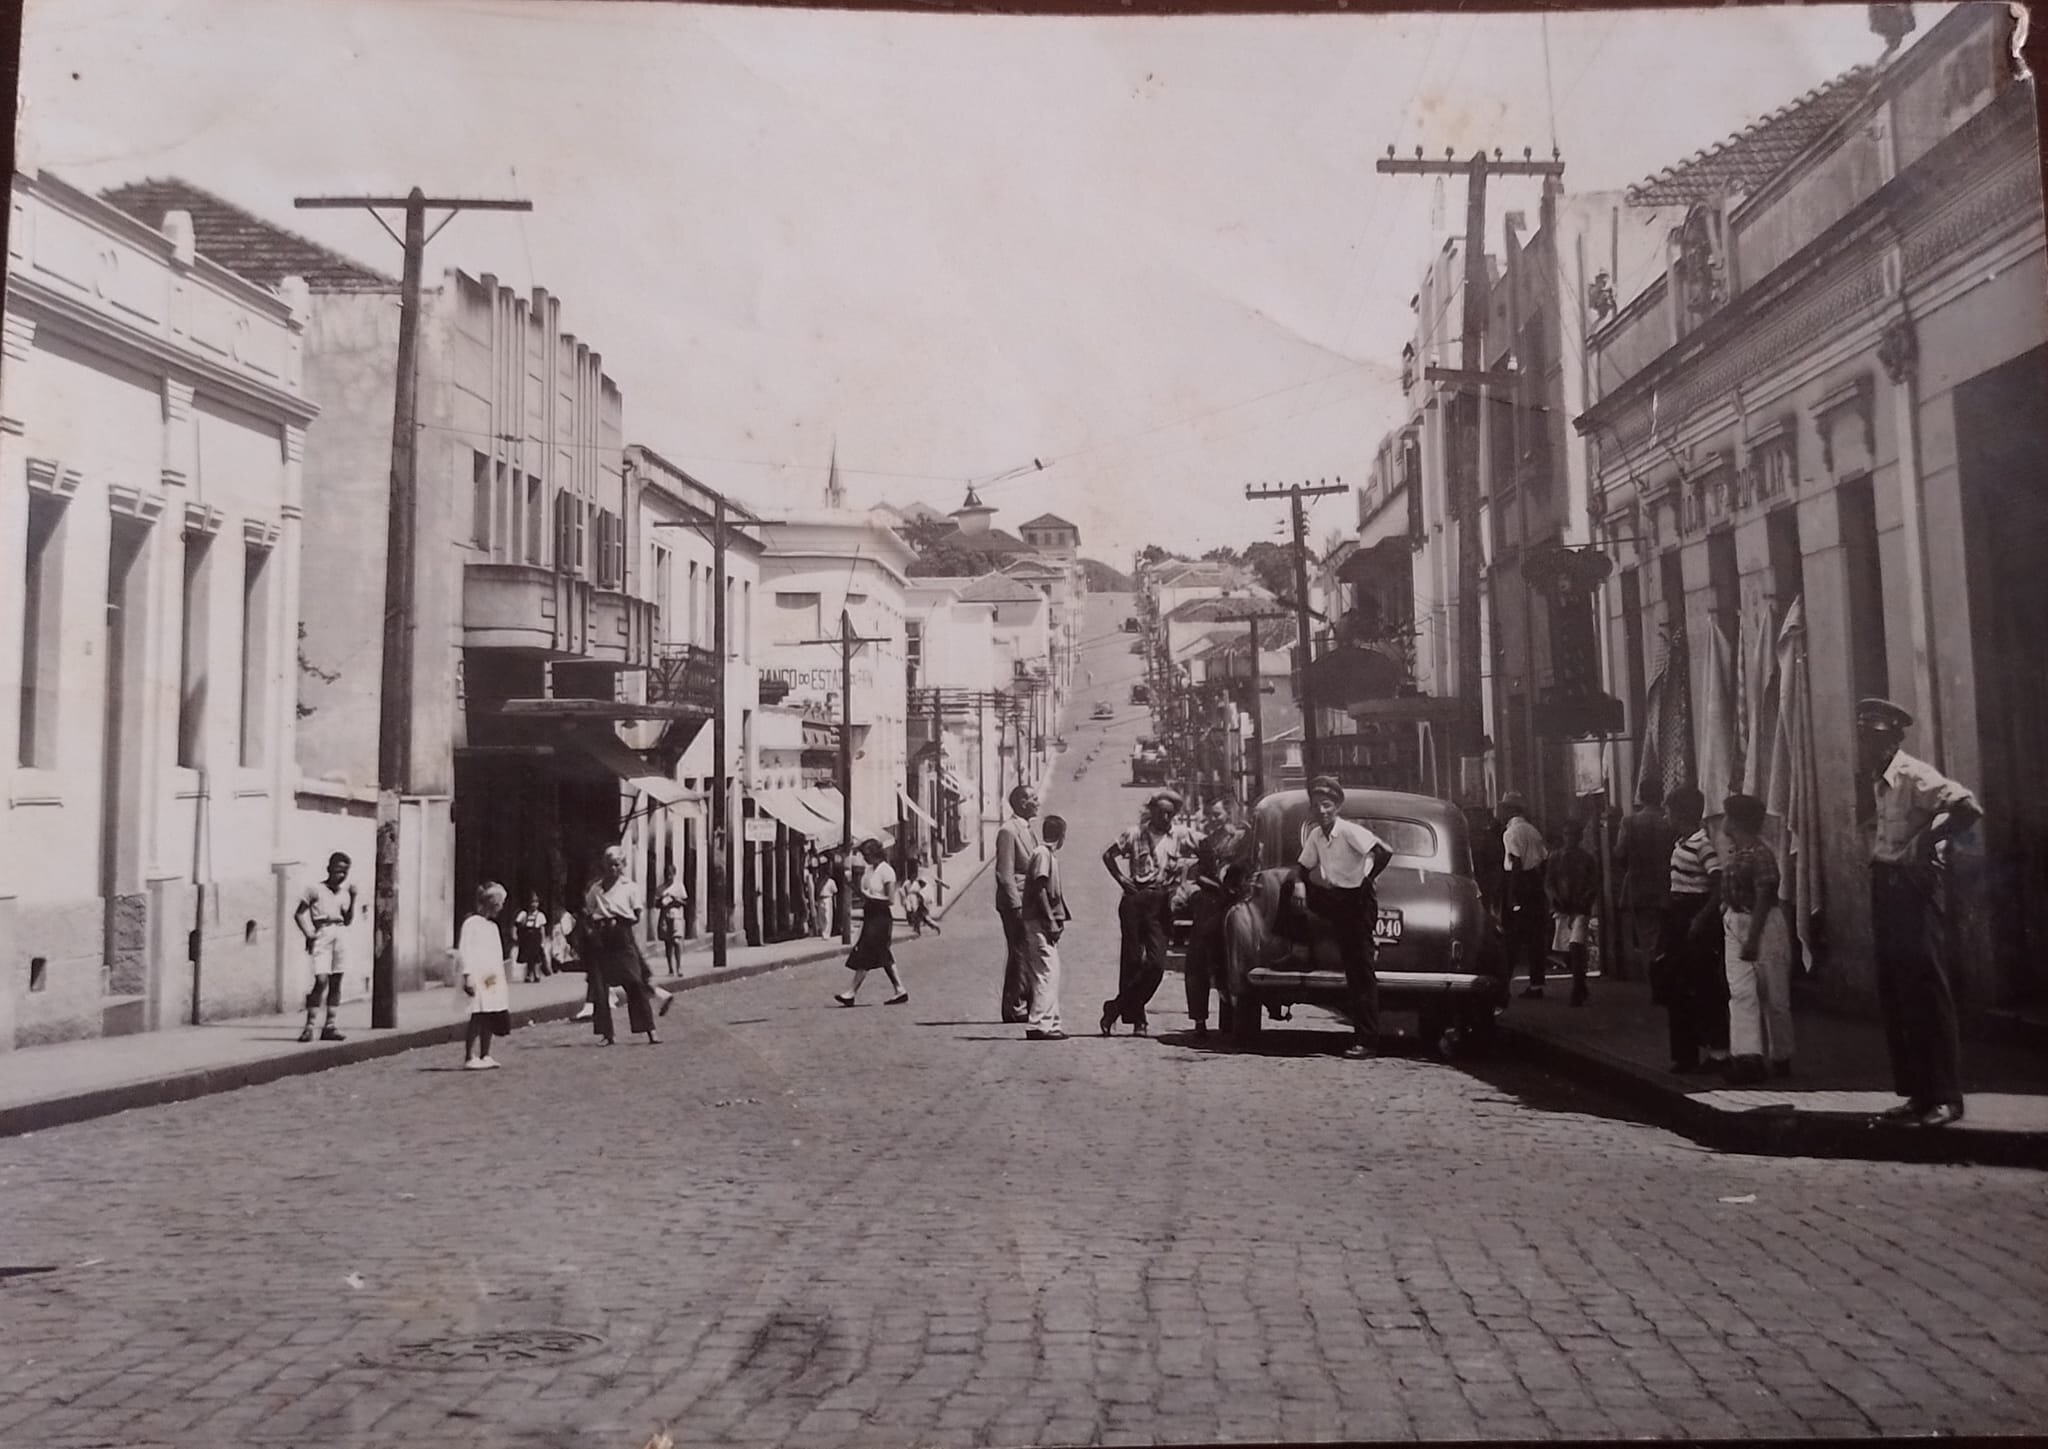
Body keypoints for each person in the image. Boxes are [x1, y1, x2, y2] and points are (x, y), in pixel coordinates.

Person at [1858, 697, 1982, 1129]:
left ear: (1894, 736)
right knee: (1896, 992)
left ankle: (1946, 1096)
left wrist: (1928, 841)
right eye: (1862, 736)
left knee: (1927, 990)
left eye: (1874, 736)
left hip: (1913, 889)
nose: (1866, 745)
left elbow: (1966, 806)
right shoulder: (1878, 779)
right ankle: (1917, 1093)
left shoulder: (1914, 774)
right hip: (1886, 887)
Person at [1290, 776, 1393, 1059]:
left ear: (1336, 807)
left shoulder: (1348, 831)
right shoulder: (1316, 834)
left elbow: (1384, 852)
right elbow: (1301, 867)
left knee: (1360, 973)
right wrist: (1299, 885)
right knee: (1288, 883)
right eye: (1316, 806)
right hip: (1337, 899)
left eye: (1327, 805)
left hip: (1358, 902)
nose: (1322, 811)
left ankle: (1368, 1039)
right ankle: (1298, 950)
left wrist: (1367, 879)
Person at [1099, 791, 1189, 1036]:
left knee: (1157, 964)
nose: (1166, 816)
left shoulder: (1178, 836)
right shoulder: (1134, 833)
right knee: (1132, 962)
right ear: (1152, 811)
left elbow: (1204, 848)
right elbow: (1109, 855)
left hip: (1161, 904)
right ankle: (1138, 1020)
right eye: (1161, 811)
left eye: (1170, 812)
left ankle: (1115, 1007)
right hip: (1135, 900)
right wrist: (1121, 879)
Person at [1719, 793, 1793, 1084]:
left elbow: (1764, 895)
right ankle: (1747, 1058)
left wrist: (1752, 938)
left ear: (1735, 821)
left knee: (1774, 994)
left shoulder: (1761, 854)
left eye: (1726, 816)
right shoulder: (1737, 853)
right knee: (1741, 992)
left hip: (1763, 924)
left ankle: (1780, 1054)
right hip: (1736, 922)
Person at [1661, 786, 1729, 1075]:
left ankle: (1718, 1052)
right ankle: (1685, 1054)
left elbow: (1719, 882)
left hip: (1695, 915)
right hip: (1679, 915)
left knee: (1703, 985)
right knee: (1678, 985)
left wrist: (1701, 917)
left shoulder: (1702, 844)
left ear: (1680, 814)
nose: (1666, 817)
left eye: (1668, 812)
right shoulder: (1681, 842)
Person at [1185, 796, 1252, 1039]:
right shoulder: (1206, 841)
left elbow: (1246, 868)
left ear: (1229, 814)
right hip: (1209, 904)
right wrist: (1210, 883)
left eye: (1218, 815)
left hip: (1234, 904)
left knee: (1229, 961)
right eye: (1211, 815)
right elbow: (1200, 874)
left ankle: (1230, 1017)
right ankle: (1199, 1020)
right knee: (1197, 961)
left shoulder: (1244, 839)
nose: (1214, 820)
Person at [582, 845, 663, 1046]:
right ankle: (606, 1034)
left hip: (621, 935)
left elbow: (636, 915)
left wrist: (618, 921)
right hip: (600, 938)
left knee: (635, 981)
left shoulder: (630, 887)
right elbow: (588, 912)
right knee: (600, 987)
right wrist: (592, 929)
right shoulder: (596, 889)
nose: (612, 869)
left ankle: (649, 1029)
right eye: (609, 865)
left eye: (616, 864)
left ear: (623, 865)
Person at [293, 852, 358, 1043]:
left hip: (340, 933)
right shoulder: (315, 890)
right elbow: (299, 914)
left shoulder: (345, 893)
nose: (342, 875)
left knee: (337, 980)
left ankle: (330, 1025)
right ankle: (309, 1026)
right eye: (338, 870)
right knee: (321, 980)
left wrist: (354, 898)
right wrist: (309, 934)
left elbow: (347, 920)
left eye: (345, 871)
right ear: (329, 869)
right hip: (323, 932)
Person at [1615, 783, 1676, 987]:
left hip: (1638, 886)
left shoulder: (1630, 822)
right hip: (1667, 885)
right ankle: (1665, 980)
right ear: (1661, 797)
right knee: (1665, 935)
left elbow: (1620, 854)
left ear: (1640, 797)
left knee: (1647, 937)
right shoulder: (1668, 823)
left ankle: (1655, 983)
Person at [835, 839, 908, 1006]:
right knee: (881, 953)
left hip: (881, 917)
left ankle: (851, 992)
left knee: (867, 952)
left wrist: (869, 897)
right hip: (870, 915)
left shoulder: (887, 871)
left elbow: (889, 900)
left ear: (875, 854)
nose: (865, 859)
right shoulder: (869, 870)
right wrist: (853, 887)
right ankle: (899, 989)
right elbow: (864, 894)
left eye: (867, 855)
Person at [994, 786, 1042, 1023]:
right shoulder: (1008, 831)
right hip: (1017, 903)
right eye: (1033, 798)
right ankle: (1012, 1006)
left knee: (1027, 953)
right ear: (1022, 802)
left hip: (1029, 901)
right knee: (1019, 953)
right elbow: (1005, 873)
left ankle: (1025, 1002)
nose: (1037, 801)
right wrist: (1016, 907)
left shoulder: (1026, 829)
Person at [1022, 815, 1071, 1040]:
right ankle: (1039, 1024)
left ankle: (1050, 1022)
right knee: (1045, 973)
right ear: (1061, 835)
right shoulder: (1042, 854)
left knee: (1051, 972)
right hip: (1039, 922)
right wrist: (1050, 920)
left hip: (1041, 922)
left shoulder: (1046, 854)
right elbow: (1040, 888)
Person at [1500, 794, 1551, 997]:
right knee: (1535, 939)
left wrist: (1514, 898)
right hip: (1535, 886)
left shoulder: (1511, 833)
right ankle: (1537, 984)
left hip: (1519, 886)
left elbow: (1515, 864)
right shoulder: (1533, 831)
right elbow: (1543, 860)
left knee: (1511, 938)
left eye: (1504, 808)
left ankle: (1503, 983)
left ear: (1512, 810)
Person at [458, 882, 514, 1070]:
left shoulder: (492, 927)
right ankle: (469, 1055)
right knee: (478, 1014)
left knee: (491, 1011)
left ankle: (486, 1054)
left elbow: (496, 955)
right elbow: (465, 950)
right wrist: (467, 976)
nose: (501, 907)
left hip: (491, 976)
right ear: (491, 903)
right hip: (476, 974)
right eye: (500, 903)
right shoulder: (471, 924)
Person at [1546, 820, 1601, 1007]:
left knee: (1576, 944)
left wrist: (1585, 899)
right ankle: (1580, 984)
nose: (1570, 838)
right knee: (1569, 947)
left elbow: (1593, 883)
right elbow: (1549, 882)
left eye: (1573, 834)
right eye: (1567, 834)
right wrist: (1555, 898)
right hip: (1562, 908)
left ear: (1579, 837)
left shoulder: (1587, 858)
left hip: (1580, 907)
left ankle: (1578, 986)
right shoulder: (1555, 857)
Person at [656, 870, 689, 978]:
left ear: (674, 874)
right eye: (667, 875)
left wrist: (675, 899)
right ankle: (670, 968)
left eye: (671, 875)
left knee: (676, 941)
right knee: (668, 943)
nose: (669, 877)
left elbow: (685, 902)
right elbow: (656, 904)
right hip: (664, 915)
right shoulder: (661, 888)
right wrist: (662, 900)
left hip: (676, 915)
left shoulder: (679, 886)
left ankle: (679, 968)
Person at [513, 892, 551, 984]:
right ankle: (528, 974)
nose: (534, 905)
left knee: (536, 957)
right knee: (528, 957)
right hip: (526, 938)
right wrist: (515, 934)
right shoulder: (523, 914)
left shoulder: (540, 915)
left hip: (536, 937)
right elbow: (516, 925)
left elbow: (542, 929)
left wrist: (543, 941)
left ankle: (536, 973)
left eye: (536, 902)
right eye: (532, 902)